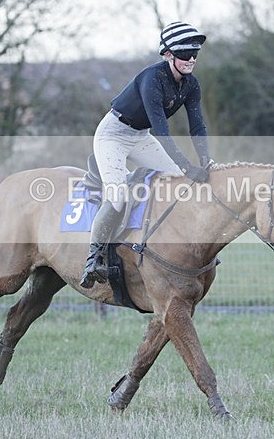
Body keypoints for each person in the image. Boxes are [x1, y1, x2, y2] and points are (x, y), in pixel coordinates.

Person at [80, 21, 212, 288]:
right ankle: (94, 258)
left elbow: (197, 125)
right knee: (117, 196)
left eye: (195, 53)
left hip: (140, 136)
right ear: (168, 55)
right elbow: (163, 132)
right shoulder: (153, 78)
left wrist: (204, 161)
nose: (191, 59)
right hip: (113, 135)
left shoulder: (191, 84)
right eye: (185, 54)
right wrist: (188, 166)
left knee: (179, 183)